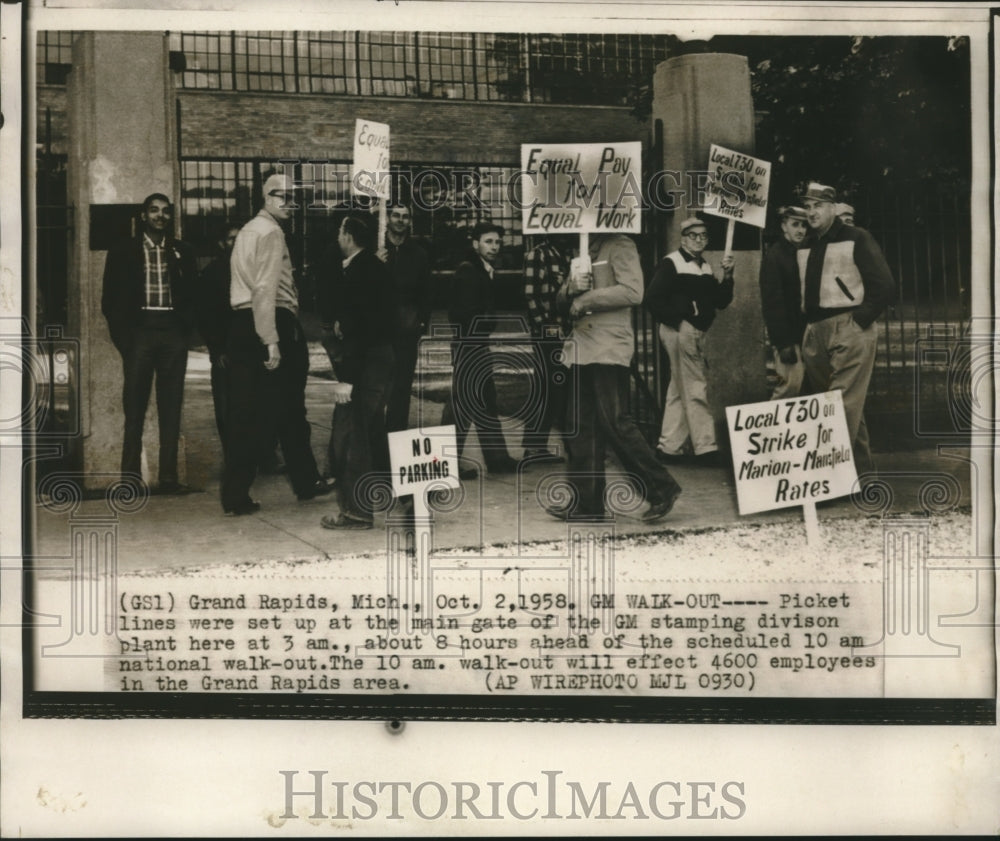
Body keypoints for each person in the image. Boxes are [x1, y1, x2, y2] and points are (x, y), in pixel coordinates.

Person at [545, 233, 682, 523]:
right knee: (580, 426)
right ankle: (587, 504)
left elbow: (633, 291)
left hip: (608, 346)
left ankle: (662, 488)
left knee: (615, 421)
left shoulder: (621, 245)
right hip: (581, 349)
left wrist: (587, 299)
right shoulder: (583, 248)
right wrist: (570, 288)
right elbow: (560, 303)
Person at [220, 173, 332, 515]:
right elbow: (264, 289)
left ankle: (285, 483)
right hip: (270, 320)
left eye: (292, 197)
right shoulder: (270, 232)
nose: (289, 203)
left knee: (251, 411)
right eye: (281, 196)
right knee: (284, 408)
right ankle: (299, 481)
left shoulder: (249, 231)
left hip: (243, 321)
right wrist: (271, 341)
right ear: (266, 197)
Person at [101, 193, 197, 493]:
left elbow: (194, 298)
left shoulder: (182, 250)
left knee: (171, 406)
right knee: (134, 407)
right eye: (154, 211)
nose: (160, 216)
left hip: (172, 334)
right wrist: (126, 342)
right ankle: (129, 478)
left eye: (165, 212)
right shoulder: (123, 251)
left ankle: (168, 477)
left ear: (170, 217)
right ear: (143, 215)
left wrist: (184, 333)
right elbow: (110, 302)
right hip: (139, 334)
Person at [797, 182, 894, 473]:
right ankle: (861, 473)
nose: (811, 212)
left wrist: (858, 321)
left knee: (838, 403)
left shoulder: (856, 237)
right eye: (808, 206)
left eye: (818, 206)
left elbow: (885, 286)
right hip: (815, 330)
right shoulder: (807, 243)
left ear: (832, 208)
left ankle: (829, 475)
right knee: (842, 402)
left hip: (848, 325)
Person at [320, 215, 396, 530]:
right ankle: (399, 499)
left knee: (354, 437)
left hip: (365, 364)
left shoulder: (358, 272)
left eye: (340, 232)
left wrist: (347, 378)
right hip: (382, 360)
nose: (338, 237)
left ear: (349, 236)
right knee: (371, 432)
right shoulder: (374, 268)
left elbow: (358, 332)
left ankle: (356, 512)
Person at [643, 216, 735, 466]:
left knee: (678, 388)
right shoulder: (671, 263)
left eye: (703, 236)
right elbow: (652, 298)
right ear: (683, 238)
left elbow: (720, 301)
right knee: (695, 386)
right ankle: (706, 448)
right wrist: (679, 321)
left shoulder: (704, 266)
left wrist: (728, 275)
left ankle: (668, 447)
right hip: (682, 331)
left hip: (691, 331)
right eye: (693, 235)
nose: (699, 240)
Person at [442, 222, 519, 478]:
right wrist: (487, 322)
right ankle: (444, 462)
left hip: (475, 345)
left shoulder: (481, 269)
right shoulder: (468, 271)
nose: (494, 247)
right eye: (488, 241)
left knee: (486, 402)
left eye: (497, 242)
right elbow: (460, 313)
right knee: (461, 406)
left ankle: (497, 459)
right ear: (475, 244)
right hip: (470, 345)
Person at [378, 203, 433, 433]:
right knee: (378, 385)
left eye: (405, 217)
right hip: (379, 330)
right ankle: (374, 438)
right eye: (396, 215)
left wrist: (421, 322)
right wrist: (374, 263)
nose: (400, 220)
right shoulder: (377, 250)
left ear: (410, 221)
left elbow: (427, 291)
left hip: (407, 330)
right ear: (388, 218)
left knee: (401, 387)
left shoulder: (419, 254)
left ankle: (395, 434)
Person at [519, 234, 573, 463]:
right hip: (548, 331)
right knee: (547, 385)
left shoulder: (567, 255)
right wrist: (545, 326)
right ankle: (533, 445)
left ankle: (537, 443)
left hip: (564, 329)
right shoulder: (538, 254)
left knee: (557, 386)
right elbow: (530, 295)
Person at [196, 222, 241, 452]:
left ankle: (263, 454)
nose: (237, 242)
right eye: (232, 238)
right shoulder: (212, 273)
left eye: (239, 237)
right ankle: (232, 454)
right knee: (225, 406)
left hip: (249, 348)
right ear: (222, 243)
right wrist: (217, 350)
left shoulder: (250, 267)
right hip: (225, 350)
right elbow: (206, 316)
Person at [759, 205, 809, 399]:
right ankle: (768, 428)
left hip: (805, 333)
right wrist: (783, 343)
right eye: (795, 224)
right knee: (789, 386)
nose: (800, 230)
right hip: (789, 336)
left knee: (805, 388)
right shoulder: (775, 256)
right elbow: (773, 303)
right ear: (783, 226)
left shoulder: (802, 252)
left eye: (804, 225)